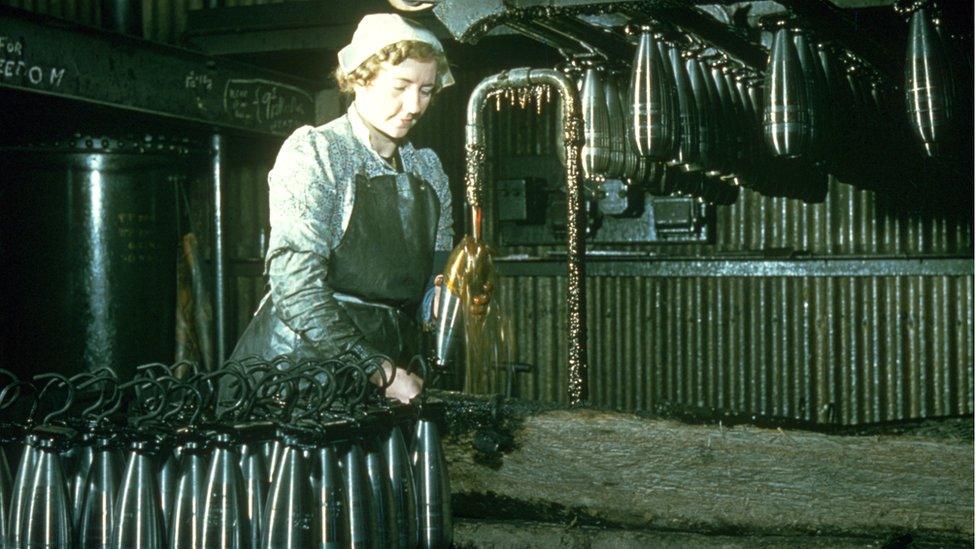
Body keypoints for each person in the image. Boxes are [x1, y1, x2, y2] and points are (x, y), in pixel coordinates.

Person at [230, 14, 456, 404]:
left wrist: (440, 302)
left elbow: (436, 275)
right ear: (360, 79)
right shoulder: (318, 153)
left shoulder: (428, 171)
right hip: (295, 375)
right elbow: (295, 287)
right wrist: (380, 372)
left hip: (388, 366)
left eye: (426, 90)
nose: (413, 105)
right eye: (399, 87)